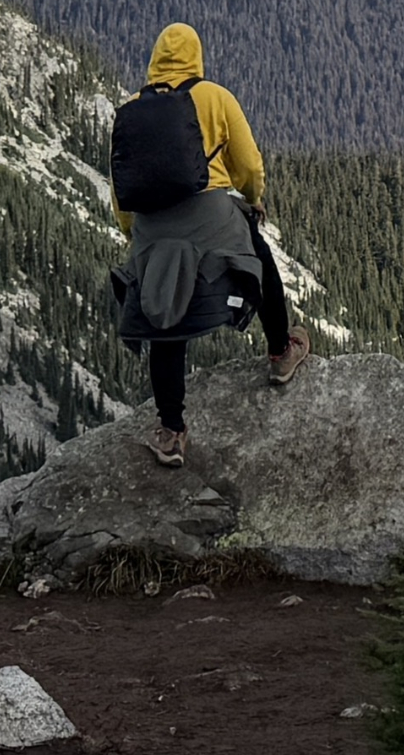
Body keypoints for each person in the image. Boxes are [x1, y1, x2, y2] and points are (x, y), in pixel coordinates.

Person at [110, 24, 310, 468]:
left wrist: (138, 237)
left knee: (167, 319)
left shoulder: (132, 113)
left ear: (155, 60)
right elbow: (248, 166)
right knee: (258, 261)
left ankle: (171, 431)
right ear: (196, 57)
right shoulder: (215, 97)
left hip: (154, 228)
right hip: (211, 216)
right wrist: (254, 200)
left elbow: (121, 191)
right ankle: (281, 352)